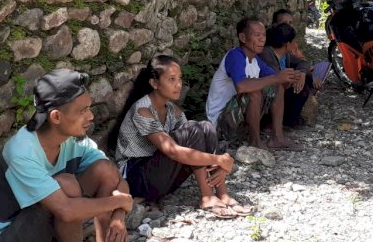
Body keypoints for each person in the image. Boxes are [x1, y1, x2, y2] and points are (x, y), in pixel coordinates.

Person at [0, 69, 132, 242]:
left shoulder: (73, 140)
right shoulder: (22, 152)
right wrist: (120, 202)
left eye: (89, 108)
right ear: (56, 116)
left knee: (105, 170)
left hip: (46, 235)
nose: (90, 116)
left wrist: (118, 215)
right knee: (67, 184)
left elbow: (116, 179)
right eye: (82, 111)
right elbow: (66, 210)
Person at [109, 55, 253, 219]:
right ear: (154, 83)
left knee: (205, 127)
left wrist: (218, 162)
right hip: (137, 179)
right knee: (193, 130)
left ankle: (222, 193)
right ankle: (206, 197)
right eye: (171, 79)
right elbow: (173, 151)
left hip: (161, 175)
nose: (178, 84)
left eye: (179, 79)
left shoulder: (171, 109)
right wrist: (218, 159)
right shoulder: (142, 110)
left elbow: (197, 140)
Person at [206, 17, 299, 150]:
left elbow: (277, 80)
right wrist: (276, 78)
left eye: (264, 35)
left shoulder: (255, 60)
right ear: (243, 38)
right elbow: (241, 86)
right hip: (221, 124)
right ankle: (255, 142)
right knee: (254, 92)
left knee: (277, 86)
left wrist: (290, 77)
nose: (262, 39)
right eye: (257, 35)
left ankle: (277, 137)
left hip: (237, 121)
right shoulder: (235, 56)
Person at [259, 23, 315, 128]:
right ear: (288, 44)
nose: (295, 44)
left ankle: (290, 120)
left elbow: (304, 63)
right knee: (302, 88)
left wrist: (302, 73)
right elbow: (275, 78)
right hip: (270, 96)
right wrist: (295, 76)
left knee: (307, 77)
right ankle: (279, 122)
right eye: (293, 41)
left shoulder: (286, 55)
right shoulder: (267, 54)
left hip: (284, 89)